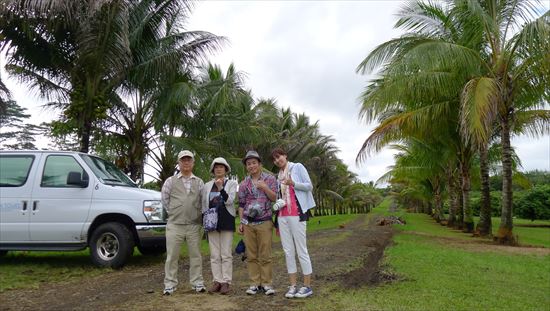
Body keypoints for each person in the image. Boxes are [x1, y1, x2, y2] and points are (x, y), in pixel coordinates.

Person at [271, 147, 315, 298]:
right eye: (275, 159)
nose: (278, 160)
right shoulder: (279, 175)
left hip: (297, 214)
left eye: (279, 156)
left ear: (285, 155)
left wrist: (293, 183)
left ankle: (307, 286)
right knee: (288, 251)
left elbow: (309, 186)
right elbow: (282, 195)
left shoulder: (297, 167)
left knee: (301, 249)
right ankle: (293, 286)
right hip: (283, 216)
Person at [161, 150, 206, 295]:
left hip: (194, 225)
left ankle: (197, 283)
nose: (186, 162)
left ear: (193, 163)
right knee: (172, 256)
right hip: (174, 225)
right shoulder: (170, 181)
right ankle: (170, 284)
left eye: (189, 160)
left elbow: (203, 202)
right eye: (183, 160)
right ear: (179, 163)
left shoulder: (199, 182)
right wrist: (175, 212)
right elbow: (165, 200)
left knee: (196, 255)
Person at [237, 150, 277, 295]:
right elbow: (241, 205)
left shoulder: (270, 179)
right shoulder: (243, 184)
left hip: (265, 222)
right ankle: (254, 283)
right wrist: (241, 222)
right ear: (246, 167)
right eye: (249, 164)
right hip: (248, 223)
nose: (252, 166)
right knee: (252, 255)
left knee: (265, 254)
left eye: (254, 163)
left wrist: (265, 187)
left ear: (259, 164)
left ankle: (267, 284)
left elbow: (274, 198)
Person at [201, 157, 238, 295]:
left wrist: (221, 187)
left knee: (226, 253)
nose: (218, 169)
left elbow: (229, 201)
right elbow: (204, 205)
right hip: (211, 222)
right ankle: (217, 280)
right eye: (216, 167)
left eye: (221, 167)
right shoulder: (206, 185)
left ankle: (226, 282)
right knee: (214, 254)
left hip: (226, 220)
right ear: (213, 169)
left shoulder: (232, 184)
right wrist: (204, 221)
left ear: (226, 169)